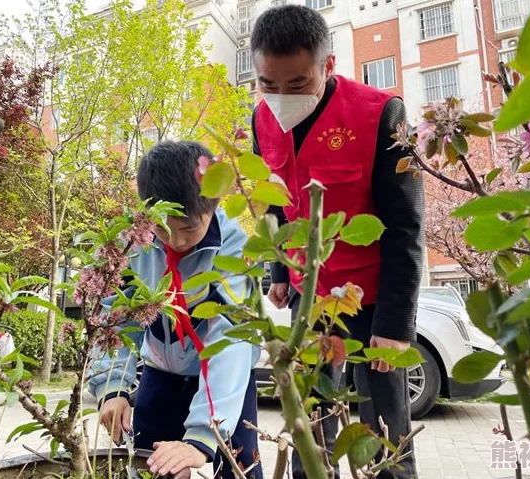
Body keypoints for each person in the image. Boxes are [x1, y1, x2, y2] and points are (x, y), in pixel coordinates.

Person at [250, 5, 425, 479]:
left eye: (297, 84)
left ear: (328, 66)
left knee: (383, 440)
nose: (281, 97)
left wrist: (394, 326)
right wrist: (280, 272)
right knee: (312, 429)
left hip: (371, 304)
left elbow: (407, 228)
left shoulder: (383, 113)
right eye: (269, 84)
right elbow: (273, 203)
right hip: (310, 304)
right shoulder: (261, 119)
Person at [88, 141, 263, 479]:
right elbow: (115, 317)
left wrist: (202, 435)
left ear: (212, 207)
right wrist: (112, 387)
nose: (177, 241)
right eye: (163, 229)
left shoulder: (234, 248)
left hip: (227, 382)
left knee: (240, 469)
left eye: (188, 229)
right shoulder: (129, 243)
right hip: (160, 374)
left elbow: (232, 338)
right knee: (153, 466)